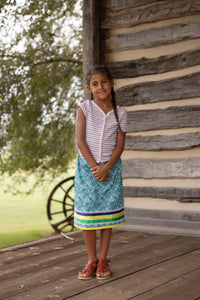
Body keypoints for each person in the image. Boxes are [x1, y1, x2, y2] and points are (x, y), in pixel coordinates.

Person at [74, 65, 127, 280]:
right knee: (88, 217)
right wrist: (95, 167)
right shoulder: (84, 109)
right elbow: (80, 140)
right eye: (95, 84)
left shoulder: (120, 113)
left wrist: (107, 167)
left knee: (108, 215)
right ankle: (91, 260)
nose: (100, 87)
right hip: (87, 169)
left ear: (112, 83)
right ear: (89, 88)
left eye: (104, 82)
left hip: (111, 169)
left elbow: (120, 144)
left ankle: (103, 258)